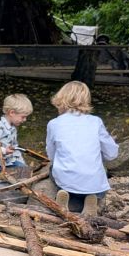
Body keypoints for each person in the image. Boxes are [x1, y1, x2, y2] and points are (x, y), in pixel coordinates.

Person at [46, 81, 119, 216]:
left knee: (53, 169)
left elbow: (51, 155)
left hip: (67, 181)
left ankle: (64, 196)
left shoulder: (54, 124)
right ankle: (91, 199)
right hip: (94, 184)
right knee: (99, 171)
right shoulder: (95, 121)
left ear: (60, 99)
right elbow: (112, 154)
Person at [0, 94, 33, 185]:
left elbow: (14, 149)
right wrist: (4, 150)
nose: (25, 120)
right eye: (23, 117)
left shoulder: (12, 129)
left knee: (24, 172)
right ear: (12, 113)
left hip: (8, 163)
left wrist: (22, 164)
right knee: (7, 180)